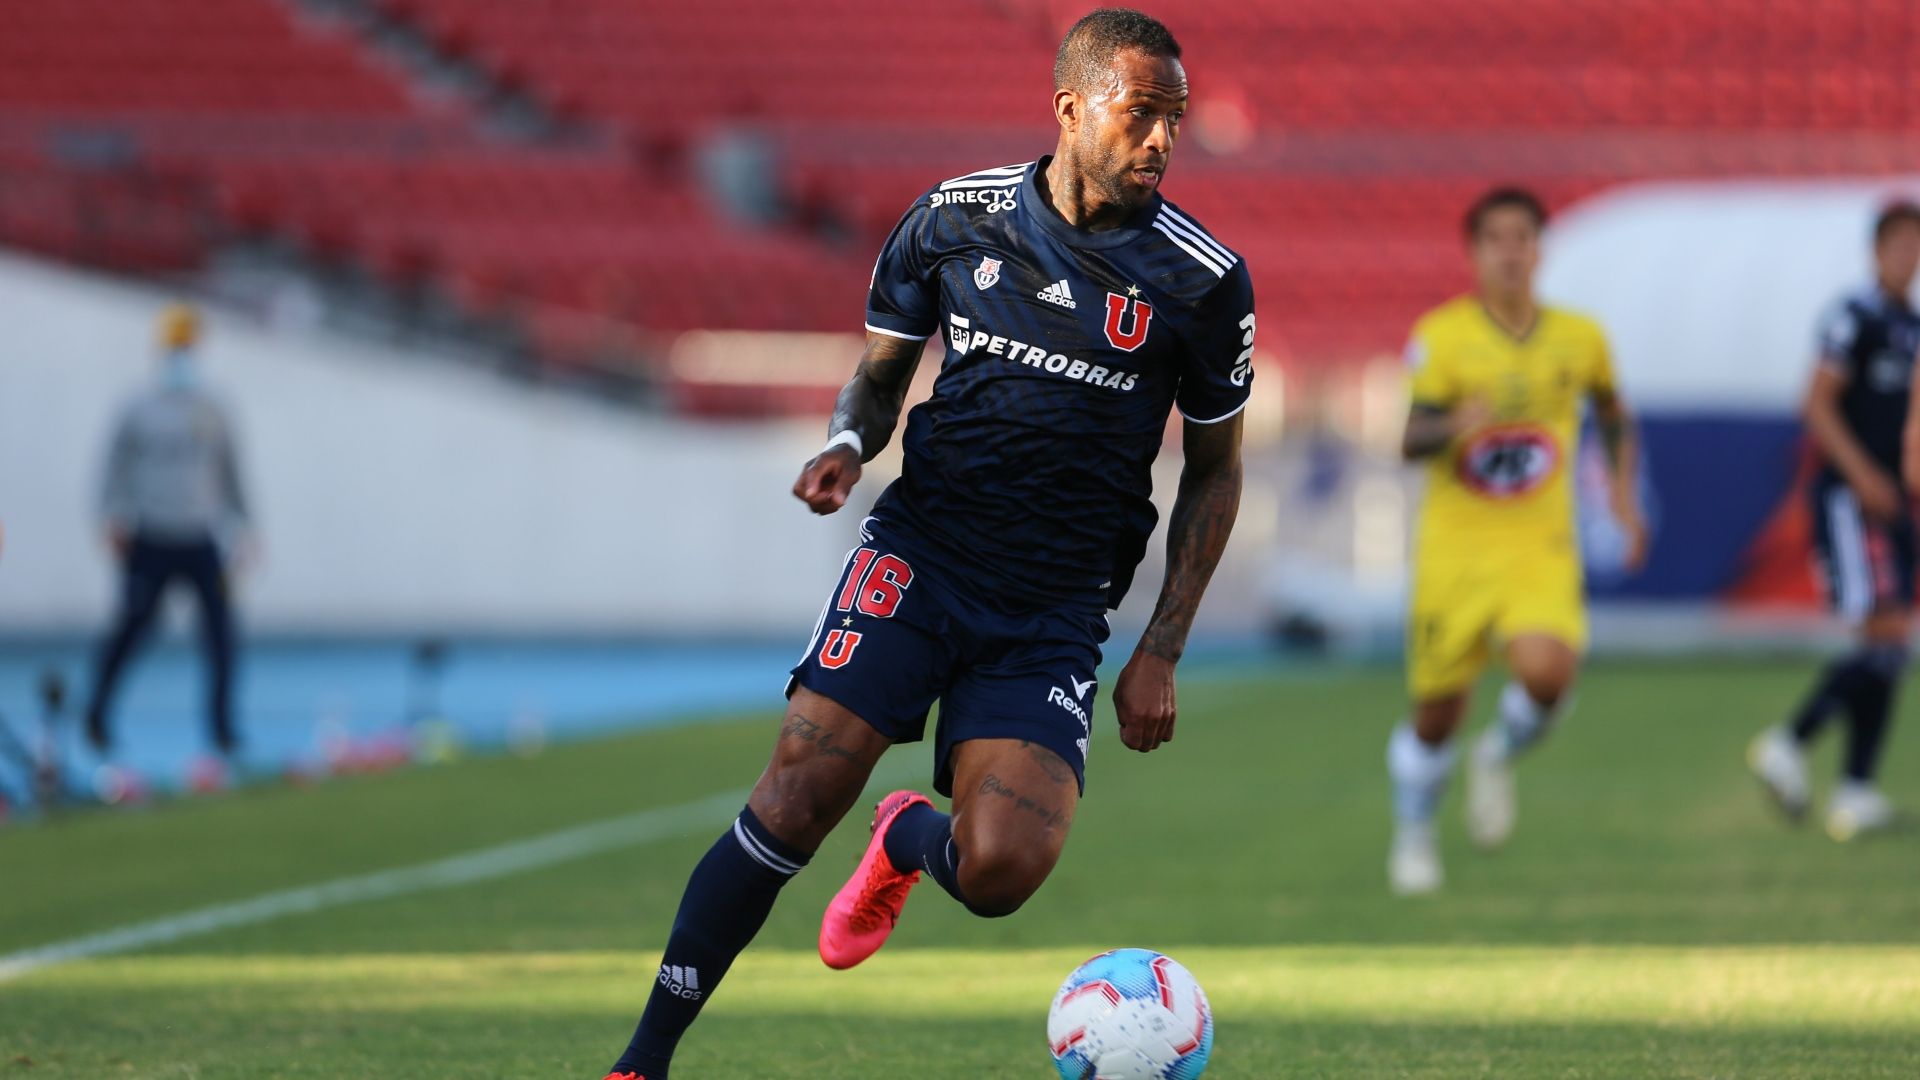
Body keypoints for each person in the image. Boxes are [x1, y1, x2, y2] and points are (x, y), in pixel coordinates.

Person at [603, 10, 1252, 1078]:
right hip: (923, 559)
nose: (1161, 142)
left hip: (1051, 609)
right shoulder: (955, 220)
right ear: (1072, 108)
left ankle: (908, 837)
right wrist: (850, 443)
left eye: (1175, 122)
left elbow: (1219, 472)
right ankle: (642, 1060)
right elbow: (881, 369)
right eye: (1143, 115)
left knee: (998, 872)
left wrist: (1162, 646)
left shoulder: (1202, 280)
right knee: (795, 796)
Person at [1387, 188, 1646, 896]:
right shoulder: (1442, 337)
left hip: (1539, 547)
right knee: (1436, 717)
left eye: (1522, 237)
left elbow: (1615, 412)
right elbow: (1409, 440)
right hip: (1456, 554)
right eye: (1495, 239)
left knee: (1549, 674)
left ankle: (1497, 754)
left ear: (1539, 248)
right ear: (1474, 252)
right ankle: (1414, 830)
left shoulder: (1580, 337)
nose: (1510, 251)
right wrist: (1454, 424)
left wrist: (1622, 495)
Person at [1752, 200, 1920, 840]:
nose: (1907, 257)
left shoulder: (1911, 326)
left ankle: (1855, 791)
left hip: (1892, 500)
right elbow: (1817, 405)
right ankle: (1787, 744)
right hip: (1853, 499)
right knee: (1884, 634)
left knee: (1888, 645)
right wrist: (1863, 475)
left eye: (1915, 246)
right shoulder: (1853, 317)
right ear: (1876, 252)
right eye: (1898, 245)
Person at [84, 302, 253, 783]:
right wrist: (109, 516)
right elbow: (112, 466)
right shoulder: (138, 407)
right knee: (132, 629)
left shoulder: (214, 408)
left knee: (221, 636)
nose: (183, 354)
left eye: (188, 346)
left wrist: (246, 526)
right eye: (176, 345)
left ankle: (222, 731)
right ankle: (96, 713)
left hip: (201, 537)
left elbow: (232, 472)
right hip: (150, 534)